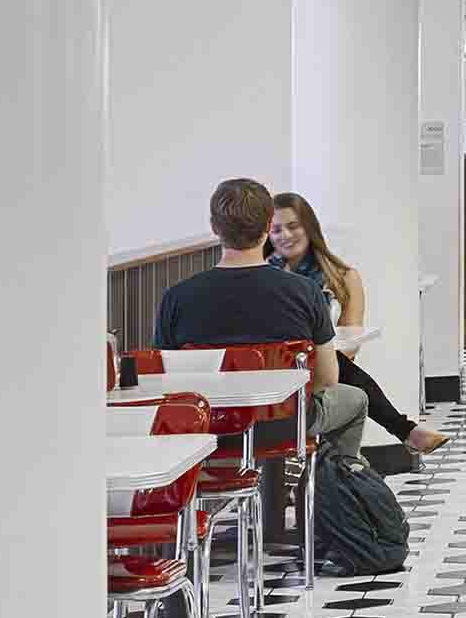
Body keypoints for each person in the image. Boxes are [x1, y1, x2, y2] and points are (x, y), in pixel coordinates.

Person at [152, 177, 367, 464]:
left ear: (215, 227)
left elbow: (164, 380)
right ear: (268, 227)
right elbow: (327, 379)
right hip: (288, 421)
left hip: (209, 427)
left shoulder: (176, 298)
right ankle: (337, 489)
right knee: (357, 399)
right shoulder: (304, 292)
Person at [269, 192, 448, 456]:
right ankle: (405, 430)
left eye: (293, 226)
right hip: (276, 373)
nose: (285, 235)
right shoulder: (266, 278)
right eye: (276, 230)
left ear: (309, 227)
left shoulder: (343, 277)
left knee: (334, 361)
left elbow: (350, 344)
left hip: (323, 373)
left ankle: (396, 438)